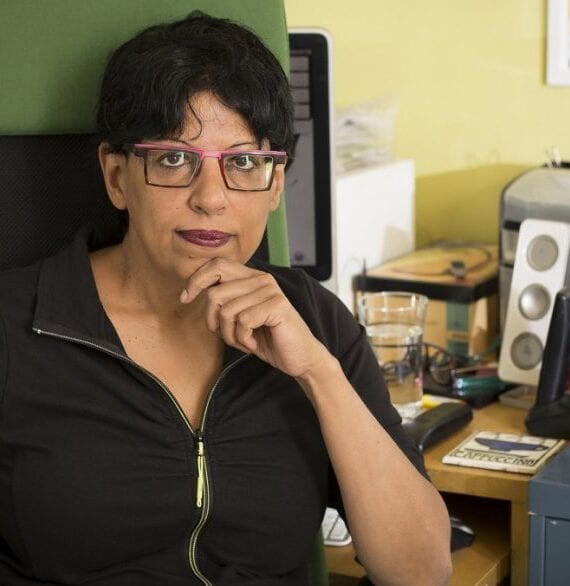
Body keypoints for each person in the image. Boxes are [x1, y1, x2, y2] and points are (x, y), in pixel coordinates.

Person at [0, 11, 452, 586]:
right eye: (173, 159)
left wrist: (319, 374)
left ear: (275, 185)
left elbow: (421, 573)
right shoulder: (14, 325)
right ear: (116, 177)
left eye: (243, 162)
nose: (211, 198)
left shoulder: (312, 321)